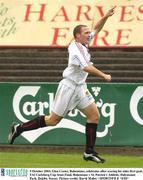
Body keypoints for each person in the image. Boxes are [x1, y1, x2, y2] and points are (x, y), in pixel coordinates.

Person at [8, 6, 115, 163]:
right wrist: (103, 75)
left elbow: (96, 29)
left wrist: (106, 16)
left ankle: (89, 153)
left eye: (88, 33)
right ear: (77, 36)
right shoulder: (74, 48)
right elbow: (86, 67)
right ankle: (19, 128)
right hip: (69, 87)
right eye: (86, 33)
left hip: (80, 87)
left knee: (94, 116)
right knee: (53, 120)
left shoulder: (83, 42)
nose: (89, 35)